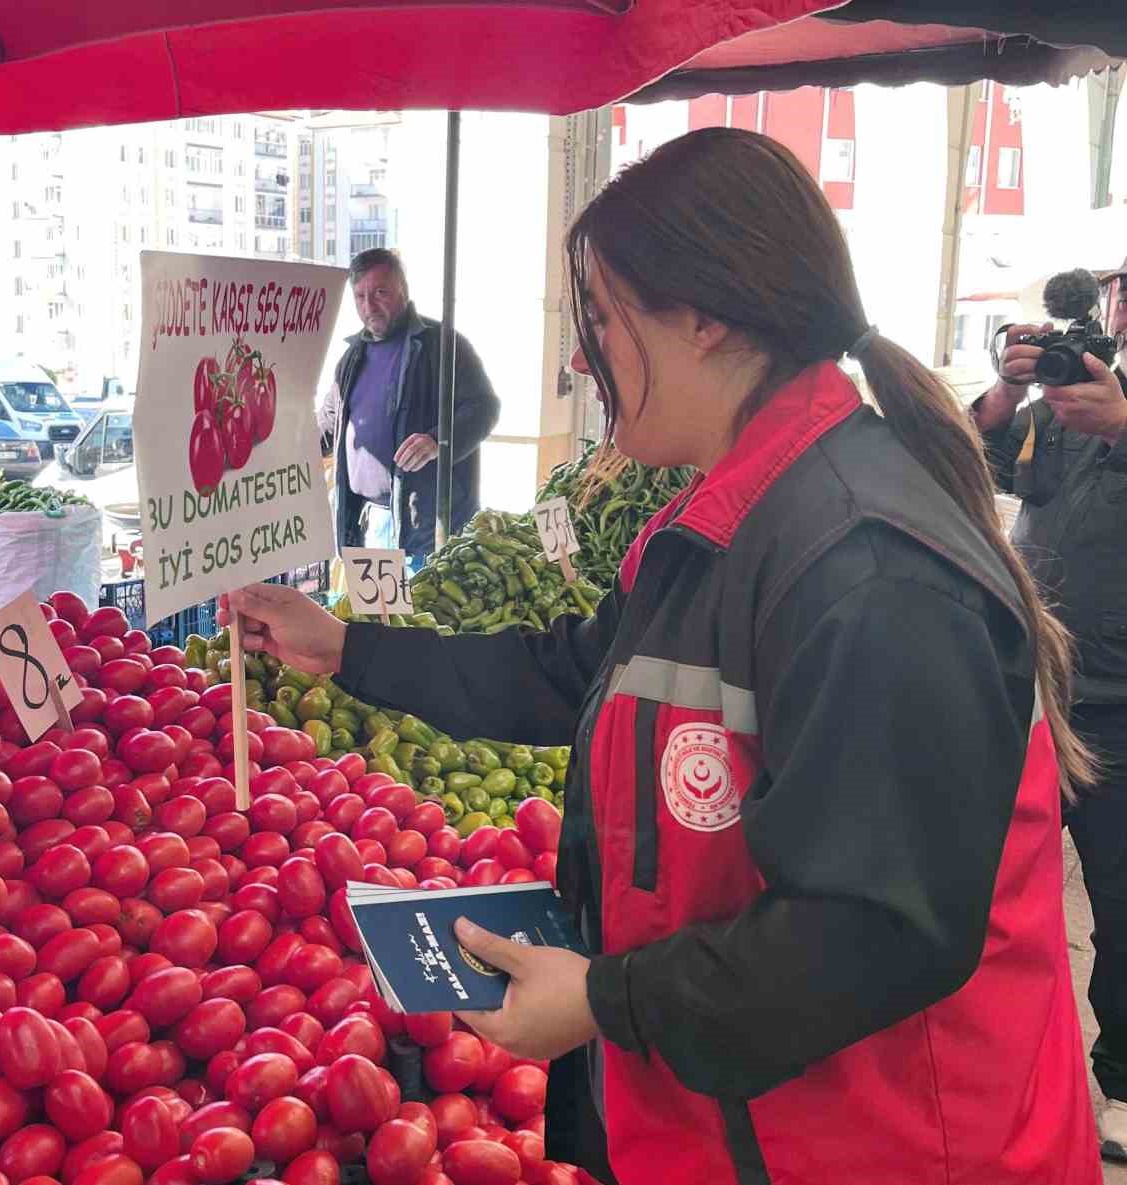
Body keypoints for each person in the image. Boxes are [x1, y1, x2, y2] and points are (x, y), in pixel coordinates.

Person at [225, 127, 1099, 1185]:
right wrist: (347, 646)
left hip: (886, 1149)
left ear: (706, 317)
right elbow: (571, 672)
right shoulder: (738, 515)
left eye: (601, 316)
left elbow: (872, 930)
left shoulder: (864, 572)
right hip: (743, 1131)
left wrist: (603, 1000)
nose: (582, 356)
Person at [976, 254, 1127, 1161]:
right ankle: (1004, 1073)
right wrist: (1003, 390)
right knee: (997, 891)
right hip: (1036, 692)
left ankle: (1122, 1080)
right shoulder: (1068, 400)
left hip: (1124, 710)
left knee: (1122, 903)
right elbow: (989, 464)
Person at [318, 248, 499, 565]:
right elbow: (325, 429)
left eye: (380, 293)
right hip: (370, 525)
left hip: (428, 529)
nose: (369, 306)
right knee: (372, 616)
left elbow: (484, 407)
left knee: (423, 614)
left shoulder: (443, 345)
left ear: (403, 289)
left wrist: (437, 440)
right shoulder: (350, 359)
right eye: (360, 297)